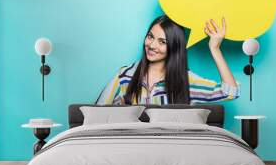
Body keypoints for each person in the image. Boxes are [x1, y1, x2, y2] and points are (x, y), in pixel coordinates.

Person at [95, 15, 240, 105]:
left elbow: (230, 92)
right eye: (150, 37)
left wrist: (215, 48)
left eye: (162, 42)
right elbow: (97, 112)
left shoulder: (185, 81)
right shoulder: (125, 76)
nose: (151, 45)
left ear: (174, 47)